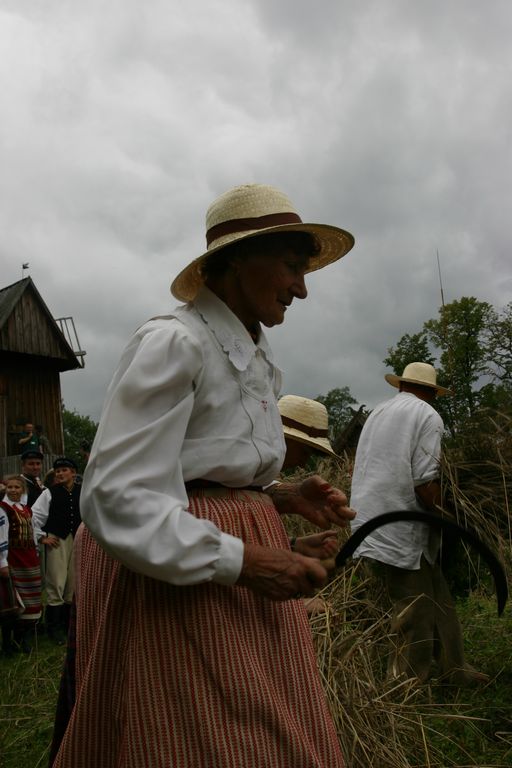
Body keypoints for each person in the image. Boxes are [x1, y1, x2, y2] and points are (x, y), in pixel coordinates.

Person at [51, 183, 355, 768]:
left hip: (225, 568)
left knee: (263, 727)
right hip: (182, 575)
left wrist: (281, 499)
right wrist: (248, 559)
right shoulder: (175, 343)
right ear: (238, 259)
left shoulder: (254, 355)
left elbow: (205, 467)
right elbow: (117, 496)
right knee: (205, 740)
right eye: (292, 266)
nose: (301, 288)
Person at [349, 362, 488, 686]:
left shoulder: (380, 412)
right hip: (400, 523)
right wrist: (452, 517)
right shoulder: (427, 416)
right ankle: (403, 686)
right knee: (415, 608)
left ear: (402, 386)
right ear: (431, 393)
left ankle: (455, 668)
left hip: (372, 517)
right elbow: (425, 482)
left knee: (437, 593)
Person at [31, 458, 81, 645]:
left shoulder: (82, 491)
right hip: (57, 539)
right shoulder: (49, 493)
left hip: (77, 538)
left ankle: (69, 625)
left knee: (73, 582)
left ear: (73, 473)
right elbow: (35, 516)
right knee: (56, 581)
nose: (60, 473)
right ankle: (53, 627)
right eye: (57, 471)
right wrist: (41, 537)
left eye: (64, 470)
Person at [0, 475, 42, 654]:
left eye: (17, 487)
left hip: (29, 558)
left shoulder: (26, 509)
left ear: (23, 489)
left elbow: (32, 532)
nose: (13, 490)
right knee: (12, 600)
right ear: (5, 489)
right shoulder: (3, 509)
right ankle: (7, 643)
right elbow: (1, 536)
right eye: (10, 487)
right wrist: (2, 561)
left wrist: (36, 552)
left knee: (31, 599)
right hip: (13, 559)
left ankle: (23, 637)